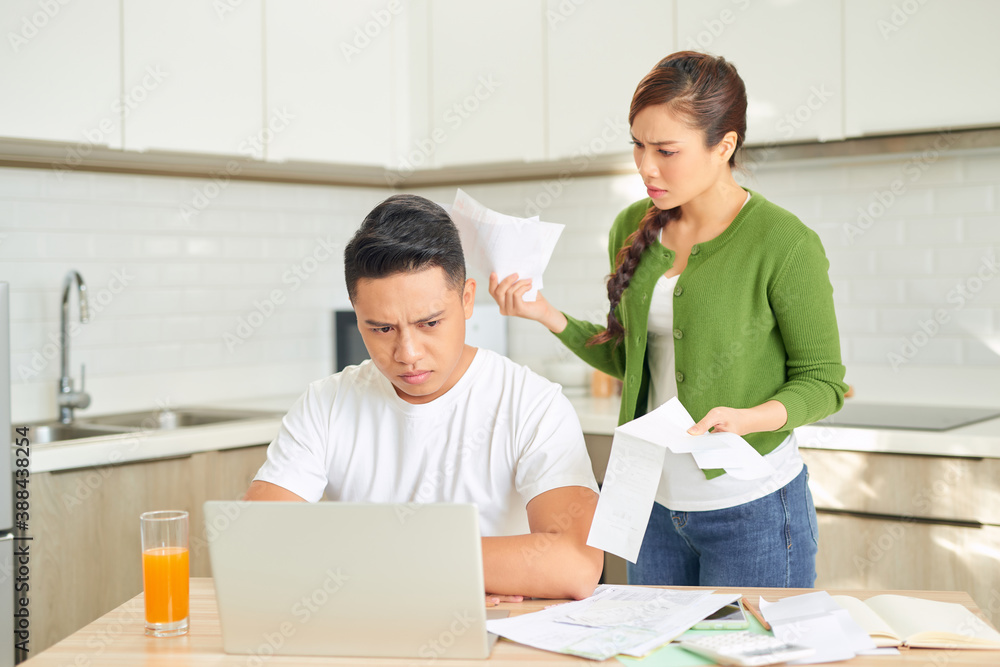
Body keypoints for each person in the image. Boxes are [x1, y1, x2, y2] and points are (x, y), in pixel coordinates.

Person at [489, 51, 847, 588]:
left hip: (750, 507)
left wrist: (749, 418)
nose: (645, 166)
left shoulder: (783, 242)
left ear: (723, 145)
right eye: (637, 144)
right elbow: (625, 356)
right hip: (647, 502)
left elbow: (824, 383)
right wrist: (547, 315)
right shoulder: (632, 226)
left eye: (666, 150)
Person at [245, 193, 603, 603]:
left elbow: (575, 564)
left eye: (429, 323)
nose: (407, 353)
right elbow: (257, 543)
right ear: (356, 311)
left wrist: (378, 563)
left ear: (467, 299)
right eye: (381, 329)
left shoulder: (532, 404)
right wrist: (450, 577)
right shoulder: (326, 403)